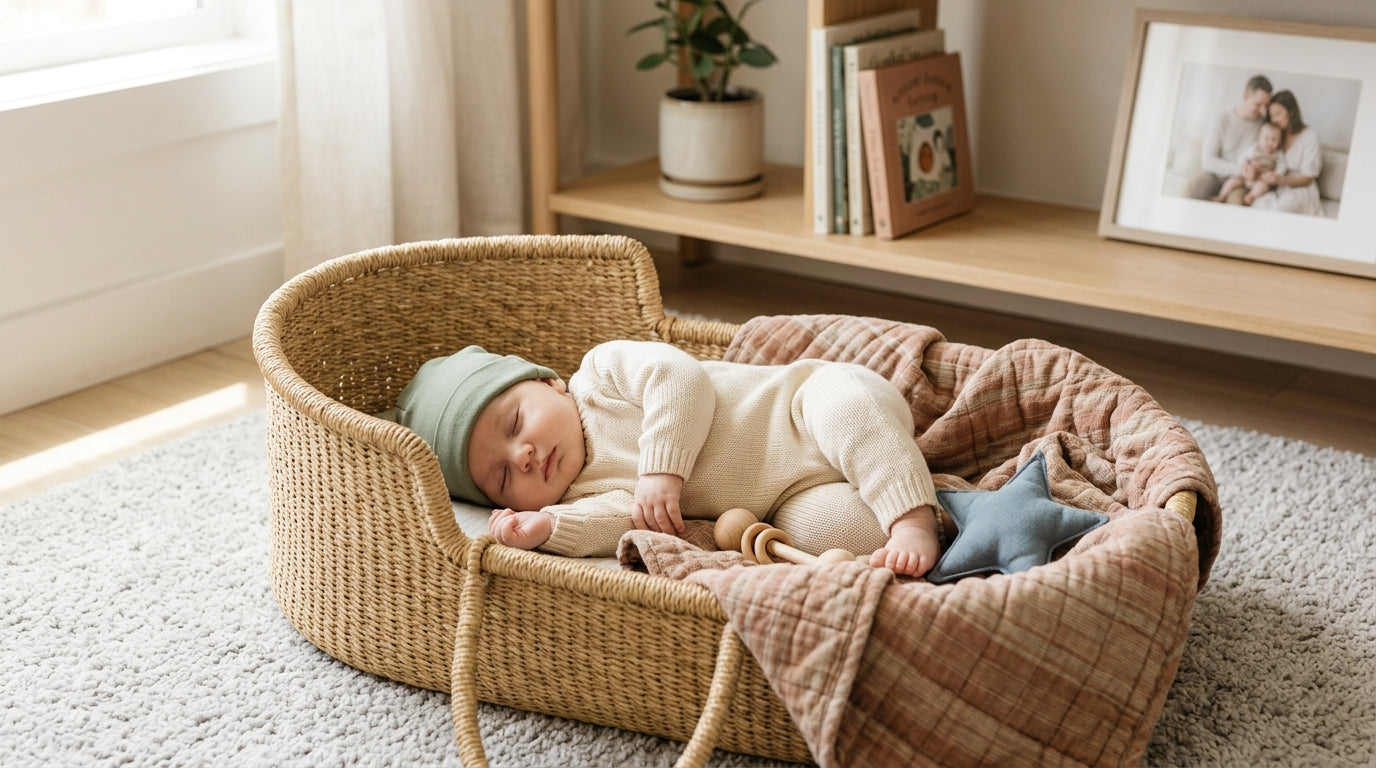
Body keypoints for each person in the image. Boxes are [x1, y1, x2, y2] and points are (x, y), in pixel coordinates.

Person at [395, 340, 945, 577]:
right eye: (501, 476)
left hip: (805, 406)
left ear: (550, 382)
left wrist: (662, 468)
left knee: (844, 411)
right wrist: (547, 527)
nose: (524, 454)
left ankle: (912, 516)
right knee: (832, 531)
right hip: (789, 496)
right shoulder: (583, 492)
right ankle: (930, 516)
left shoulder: (600, 376)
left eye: (515, 424)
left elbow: (680, 378)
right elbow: (623, 521)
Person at [1185, 75, 1273, 200]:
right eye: (1258, 104)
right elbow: (1208, 161)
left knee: (1236, 201)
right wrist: (1241, 169)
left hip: (1241, 181)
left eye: (1266, 106)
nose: (1263, 111)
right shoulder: (1222, 121)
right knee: (1190, 188)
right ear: (1246, 97)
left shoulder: (1264, 126)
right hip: (1215, 174)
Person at [1248, 90, 1324, 216]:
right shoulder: (1275, 135)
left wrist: (1279, 180)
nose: (1274, 119)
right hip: (1277, 186)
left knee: (1280, 209)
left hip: (1301, 189)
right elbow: (1263, 155)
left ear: (1291, 112)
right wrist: (1256, 167)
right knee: (1257, 205)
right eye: (1271, 115)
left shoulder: (1310, 136)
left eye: (1278, 114)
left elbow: (1308, 178)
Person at [1212, 121, 1287, 206]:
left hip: (1261, 179)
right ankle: (1222, 196)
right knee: (1232, 181)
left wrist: (1275, 174)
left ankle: (1251, 196)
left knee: (1263, 187)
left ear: (1279, 142)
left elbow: (1282, 166)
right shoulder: (1255, 148)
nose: (1269, 142)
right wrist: (1246, 164)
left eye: (1274, 140)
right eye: (1266, 138)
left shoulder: (1278, 154)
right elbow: (1243, 157)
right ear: (1259, 138)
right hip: (1246, 177)